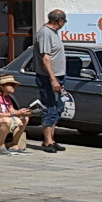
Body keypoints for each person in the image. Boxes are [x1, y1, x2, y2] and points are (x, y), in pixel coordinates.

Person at [32, 9, 68, 153]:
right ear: (59, 21)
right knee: (50, 107)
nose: (63, 24)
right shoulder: (45, 33)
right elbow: (45, 58)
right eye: (64, 22)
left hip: (59, 76)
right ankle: (47, 142)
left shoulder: (53, 33)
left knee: (58, 107)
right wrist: (53, 79)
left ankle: (52, 139)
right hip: (48, 78)